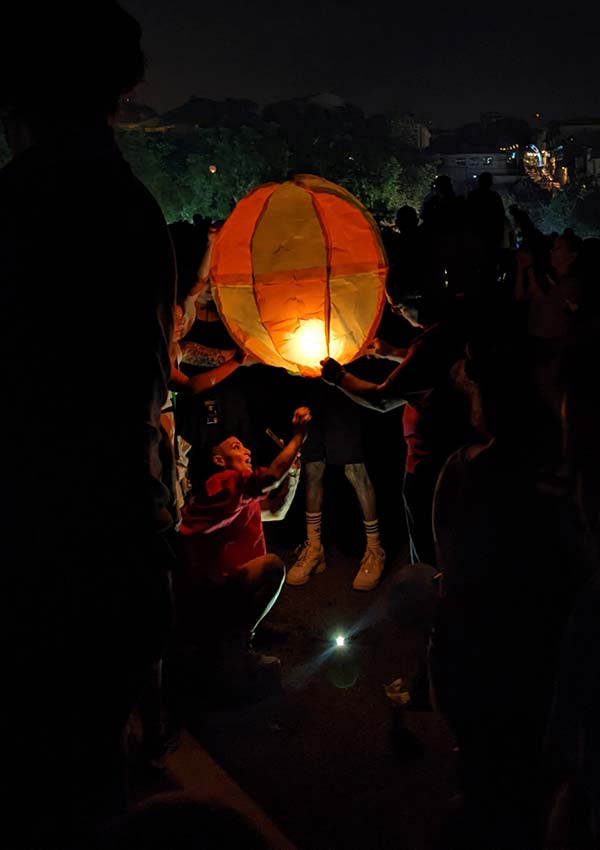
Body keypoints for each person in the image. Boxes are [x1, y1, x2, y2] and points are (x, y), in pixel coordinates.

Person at [2, 4, 176, 846]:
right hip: (114, 545)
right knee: (92, 780)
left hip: (34, 552)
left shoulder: (19, 207)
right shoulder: (133, 212)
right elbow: (144, 388)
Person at [320, 291, 473, 566]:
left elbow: (382, 399)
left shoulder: (430, 343)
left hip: (429, 464)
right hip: (452, 456)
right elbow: (426, 367)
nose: (395, 312)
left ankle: (433, 588)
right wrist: (394, 353)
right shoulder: (450, 332)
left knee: (430, 548)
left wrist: (339, 377)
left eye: (398, 306)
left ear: (418, 299)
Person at [174, 408, 311, 692]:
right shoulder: (222, 485)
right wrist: (298, 437)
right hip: (209, 598)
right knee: (272, 567)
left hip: (218, 592)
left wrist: (293, 471)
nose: (247, 451)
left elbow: (276, 510)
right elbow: (270, 478)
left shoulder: (236, 496)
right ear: (219, 460)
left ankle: (235, 636)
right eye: (236, 447)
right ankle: (233, 650)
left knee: (266, 566)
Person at [286, 378, 386, 591]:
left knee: (355, 470)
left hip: (340, 390)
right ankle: (314, 547)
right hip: (309, 389)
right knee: (312, 470)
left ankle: (374, 549)